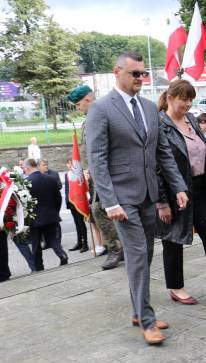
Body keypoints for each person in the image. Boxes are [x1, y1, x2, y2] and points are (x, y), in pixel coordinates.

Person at [85, 51, 189, 345]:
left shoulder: (148, 108)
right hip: (122, 199)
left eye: (143, 74)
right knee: (139, 254)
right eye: (134, 74)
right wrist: (109, 202)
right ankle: (146, 320)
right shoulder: (101, 109)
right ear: (116, 71)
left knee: (144, 254)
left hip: (148, 195)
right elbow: (97, 159)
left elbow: (163, 153)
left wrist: (178, 187)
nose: (140, 79)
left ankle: (137, 309)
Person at [156, 80, 206, 304]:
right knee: (173, 239)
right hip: (175, 191)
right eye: (184, 99)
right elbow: (156, 166)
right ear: (171, 98)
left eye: (191, 99)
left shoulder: (191, 119)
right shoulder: (159, 125)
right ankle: (176, 287)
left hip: (201, 187)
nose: (189, 104)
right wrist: (162, 202)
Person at [68, 84, 123, 269]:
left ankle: (116, 249)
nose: (78, 108)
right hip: (95, 176)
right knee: (100, 210)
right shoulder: (87, 121)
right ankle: (118, 248)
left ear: (87, 100)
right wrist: (85, 168)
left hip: (106, 173)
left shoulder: (104, 116)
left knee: (99, 209)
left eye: (78, 104)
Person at [23, 158, 68, 270]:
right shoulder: (51, 179)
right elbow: (58, 198)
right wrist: (55, 212)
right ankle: (62, 254)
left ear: (27, 168)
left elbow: (24, 203)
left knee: (36, 244)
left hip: (35, 219)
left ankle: (39, 266)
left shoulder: (26, 183)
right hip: (51, 215)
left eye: (24, 169)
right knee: (53, 239)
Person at [64, 158, 89, 253]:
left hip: (79, 202)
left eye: (72, 163)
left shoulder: (79, 174)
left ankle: (85, 243)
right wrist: (67, 201)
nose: (70, 165)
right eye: (69, 163)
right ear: (67, 165)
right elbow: (67, 189)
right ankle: (79, 242)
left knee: (81, 223)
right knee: (76, 223)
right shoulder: (67, 175)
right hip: (71, 202)